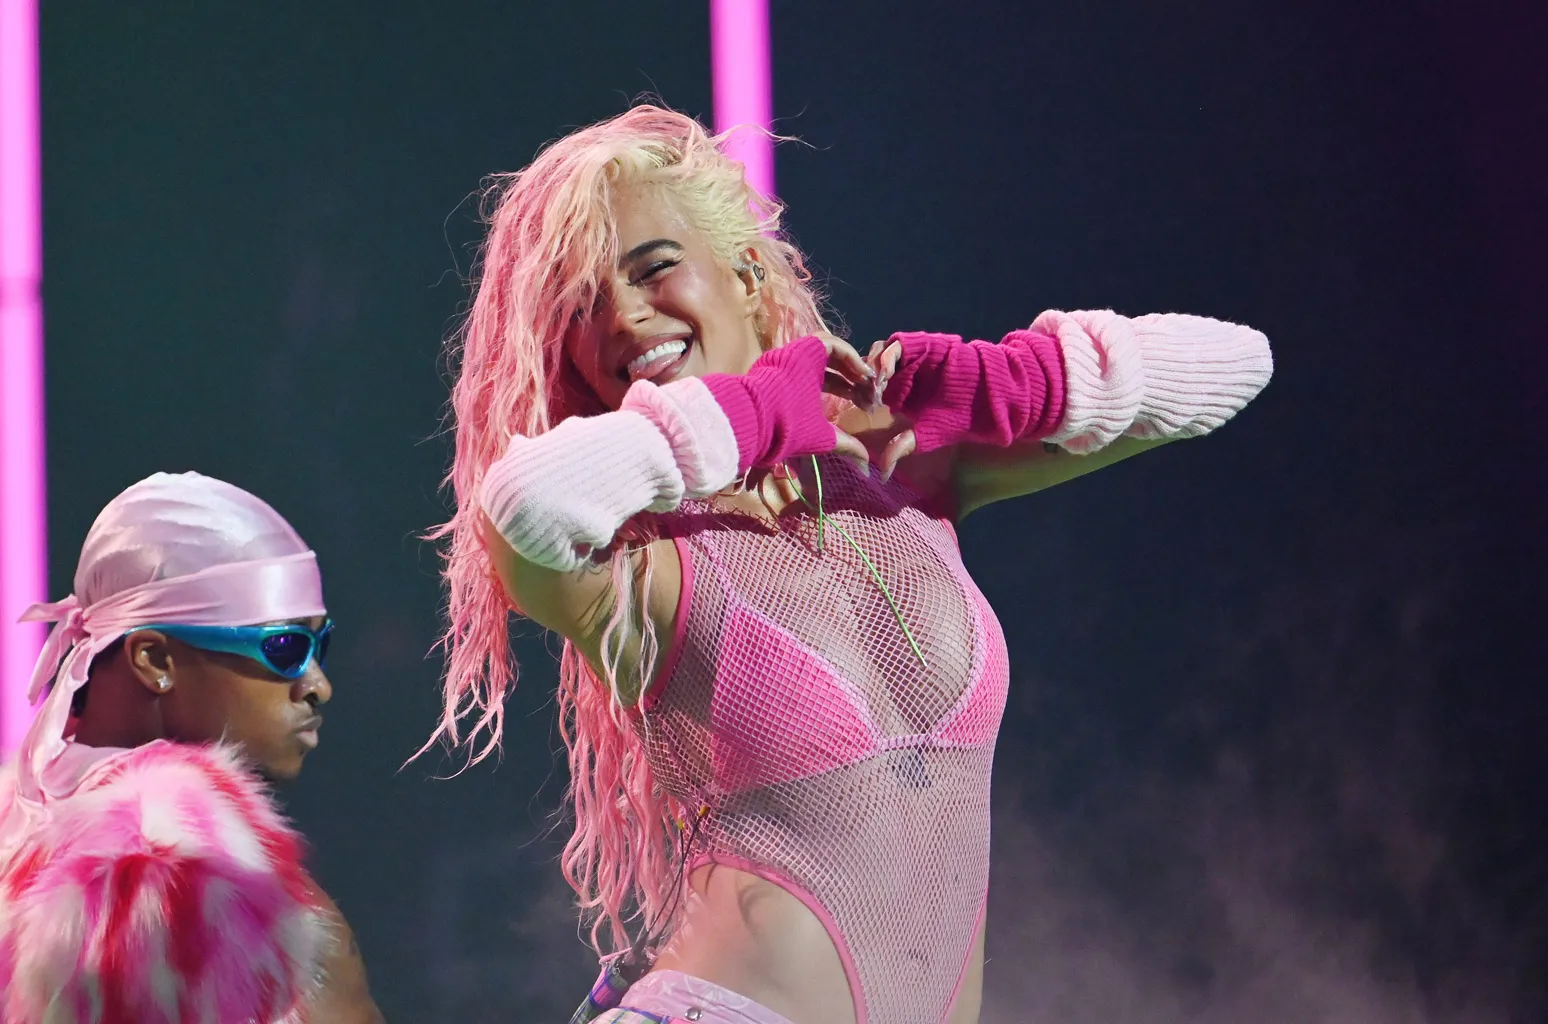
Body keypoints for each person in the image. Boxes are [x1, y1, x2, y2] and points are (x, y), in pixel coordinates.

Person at [429, 105, 1273, 1024]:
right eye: (581, 306)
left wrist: (1005, 380)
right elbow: (524, 504)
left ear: (748, 274)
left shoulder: (895, 472)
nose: (624, 316)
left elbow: (1237, 363)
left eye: (652, 267)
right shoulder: (631, 558)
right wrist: (760, 406)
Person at [0, 471, 384, 1024]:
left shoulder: (25, 838)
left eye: (319, 644)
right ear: (154, 659)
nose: (317, 685)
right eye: (284, 646)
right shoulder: (178, 878)